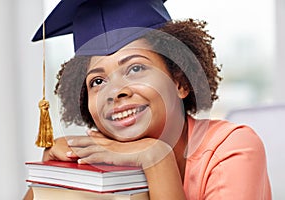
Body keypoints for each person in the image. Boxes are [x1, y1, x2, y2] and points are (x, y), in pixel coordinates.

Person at [25, 0, 271, 199]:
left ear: (180, 82)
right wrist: (56, 178)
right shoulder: (98, 163)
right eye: (97, 82)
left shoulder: (233, 147)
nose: (116, 91)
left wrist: (157, 158)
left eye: (135, 69)